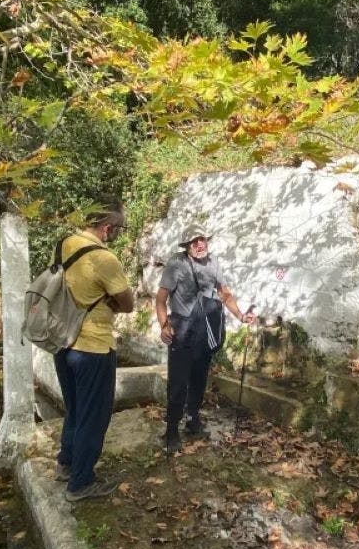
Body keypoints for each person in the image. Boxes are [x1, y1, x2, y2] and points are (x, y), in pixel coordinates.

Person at [53, 209, 134, 502]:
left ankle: (66, 464)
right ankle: (81, 483)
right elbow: (127, 303)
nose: (117, 235)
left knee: (75, 409)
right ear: (107, 228)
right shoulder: (104, 259)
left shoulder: (66, 244)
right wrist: (113, 299)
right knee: (94, 416)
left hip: (63, 343)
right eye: (118, 230)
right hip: (93, 347)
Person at [154, 224, 255, 453]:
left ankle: (192, 420)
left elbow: (224, 293)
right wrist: (164, 324)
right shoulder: (176, 264)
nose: (200, 245)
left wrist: (240, 315)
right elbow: (161, 300)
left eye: (202, 240)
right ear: (186, 246)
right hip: (181, 328)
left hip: (205, 328)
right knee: (178, 382)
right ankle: (171, 429)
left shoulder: (213, 262)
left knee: (199, 378)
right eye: (194, 241)